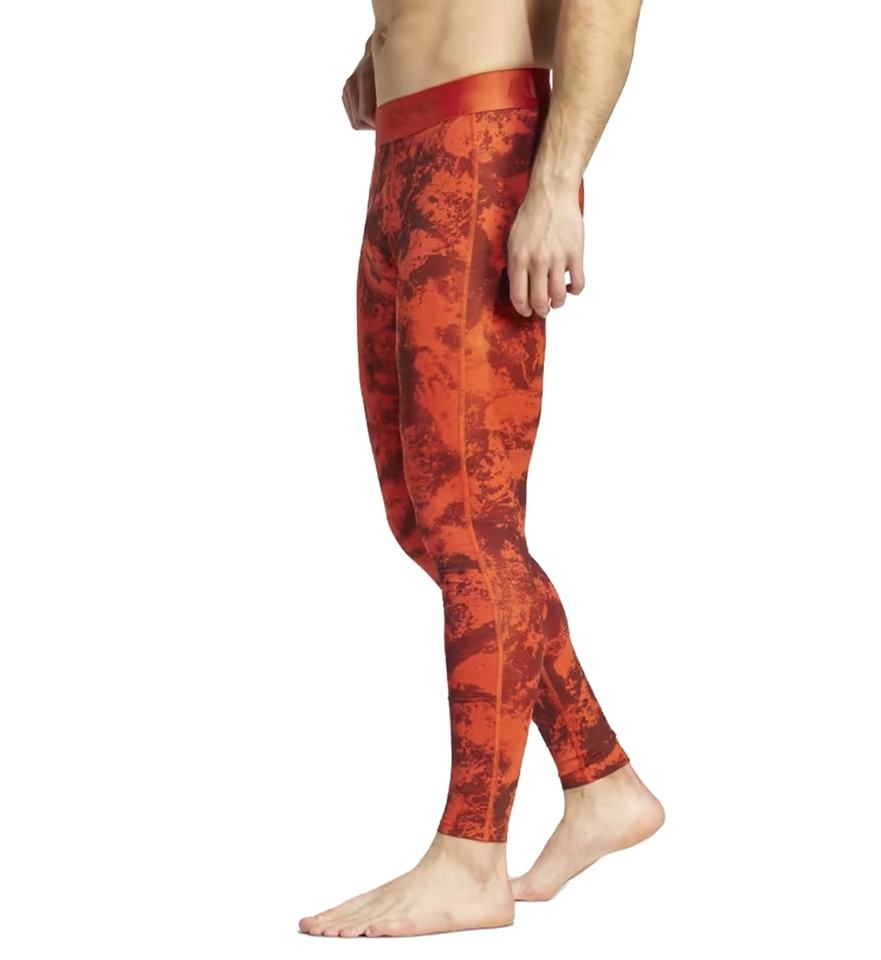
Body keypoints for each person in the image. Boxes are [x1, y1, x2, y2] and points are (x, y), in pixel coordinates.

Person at [300, 0, 663, 938]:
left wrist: (558, 182)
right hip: (406, 147)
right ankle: (599, 780)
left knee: (469, 518)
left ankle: (472, 855)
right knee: (421, 516)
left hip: (482, 145)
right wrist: (386, 50)